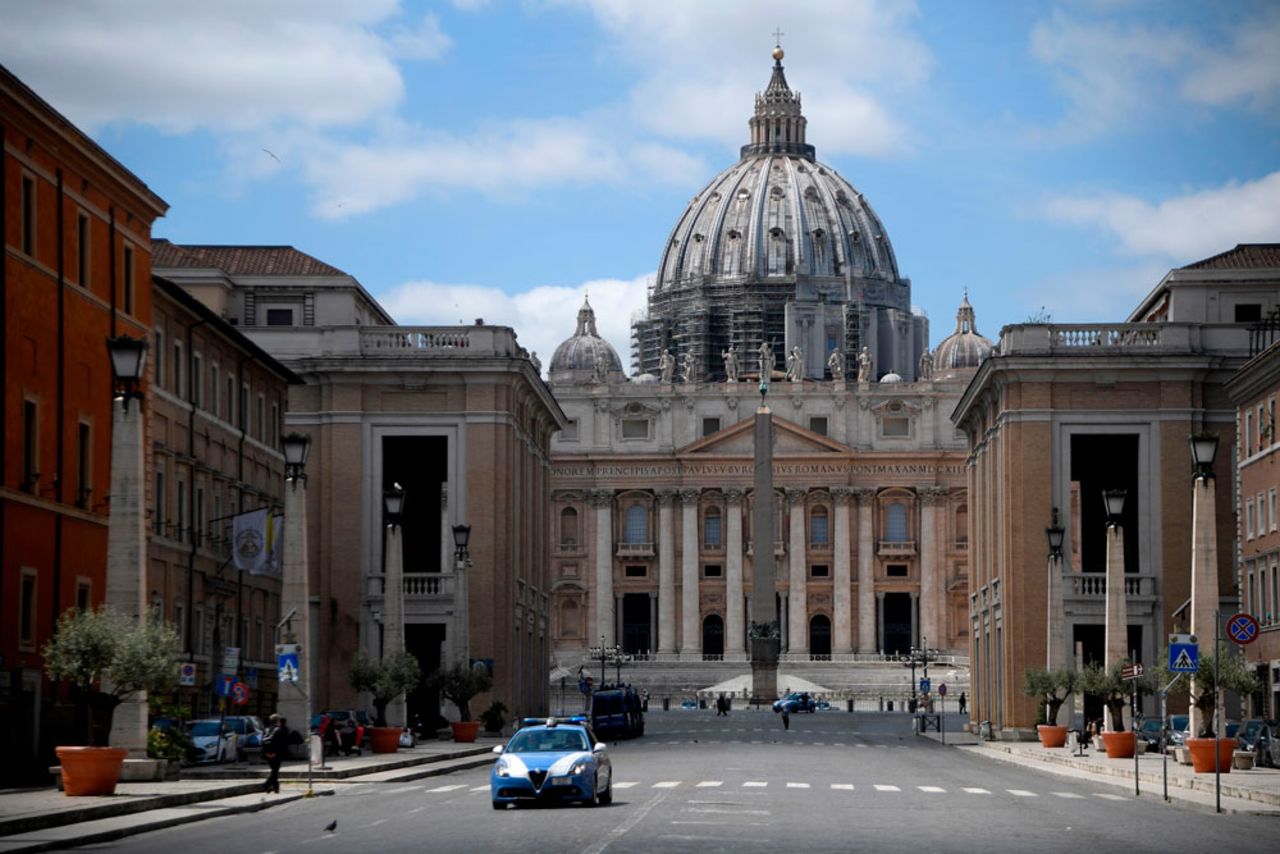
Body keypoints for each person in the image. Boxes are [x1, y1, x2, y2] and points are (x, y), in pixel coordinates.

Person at [262, 713, 289, 794]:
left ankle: (275, 788)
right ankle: (266, 784)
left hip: (267, 753)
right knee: (275, 770)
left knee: (274, 770)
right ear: (278, 720)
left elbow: (263, 741)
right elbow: (280, 743)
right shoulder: (279, 729)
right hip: (276, 753)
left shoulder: (266, 729)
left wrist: (266, 753)